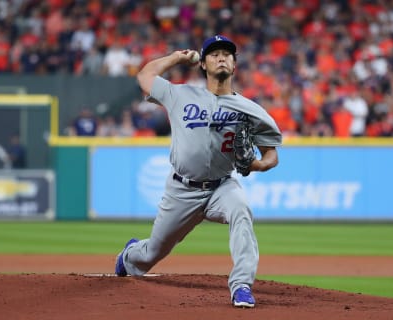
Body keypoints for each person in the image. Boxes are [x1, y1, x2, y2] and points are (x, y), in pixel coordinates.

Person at [114, 35, 282, 308]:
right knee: (151, 254)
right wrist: (177, 58)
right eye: (214, 54)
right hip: (182, 189)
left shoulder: (252, 111)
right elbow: (145, 76)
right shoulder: (179, 94)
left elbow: (271, 153)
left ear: (235, 65)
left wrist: (261, 164)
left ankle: (241, 285)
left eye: (227, 54)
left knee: (241, 210)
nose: (221, 58)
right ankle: (130, 255)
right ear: (203, 63)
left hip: (222, 187)